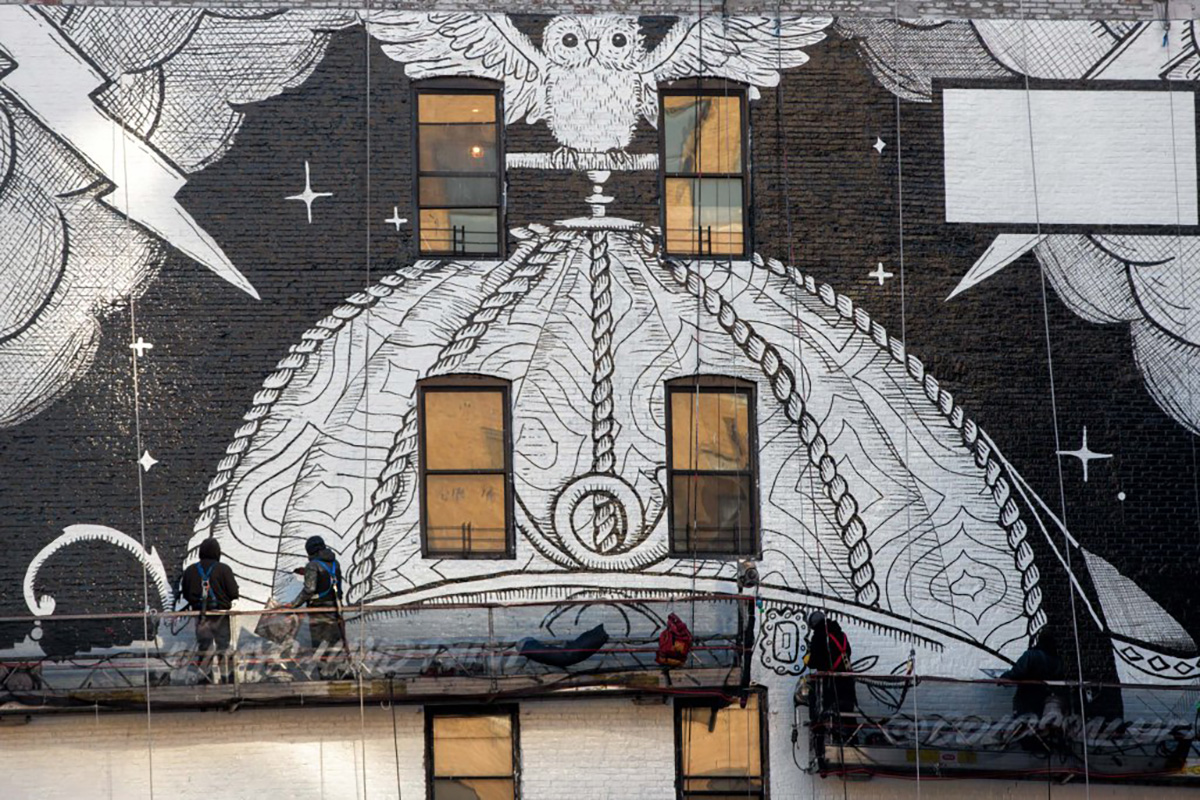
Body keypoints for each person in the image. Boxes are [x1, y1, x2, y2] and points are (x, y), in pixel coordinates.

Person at [180, 537, 240, 683]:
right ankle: (228, 681)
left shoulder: (190, 571)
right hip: (220, 616)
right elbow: (233, 593)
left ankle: (205, 681)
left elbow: (186, 594)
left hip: (200, 617)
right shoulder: (224, 569)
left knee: (204, 648)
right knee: (223, 648)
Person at [289, 535, 346, 676]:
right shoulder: (335, 563)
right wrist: (307, 572)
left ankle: (326, 678)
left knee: (321, 646)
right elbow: (326, 578)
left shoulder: (312, 566)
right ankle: (343, 676)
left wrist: (293, 604)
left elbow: (309, 590)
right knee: (336, 644)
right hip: (335, 609)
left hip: (319, 611)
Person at [805, 610, 857, 758]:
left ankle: (823, 749)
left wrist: (808, 658)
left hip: (830, 683)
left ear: (814, 625)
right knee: (848, 714)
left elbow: (815, 661)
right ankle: (853, 743)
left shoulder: (819, 636)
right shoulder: (842, 635)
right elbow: (848, 653)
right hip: (847, 681)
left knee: (825, 714)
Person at [1000, 631, 1065, 717]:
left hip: (1026, 697)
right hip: (1045, 699)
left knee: (1023, 720)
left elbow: (1018, 672)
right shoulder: (1057, 660)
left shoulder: (1031, 655)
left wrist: (1003, 678)